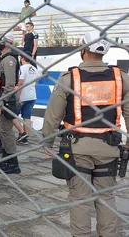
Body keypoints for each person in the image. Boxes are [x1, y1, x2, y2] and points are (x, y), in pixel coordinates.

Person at [42, 31, 127, 237]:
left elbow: (53, 115)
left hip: (77, 148)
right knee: (106, 197)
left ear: (82, 50)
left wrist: (48, 142)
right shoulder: (121, 78)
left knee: (80, 199)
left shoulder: (69, 78)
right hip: (109, 147)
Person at [0, 33, 21, 174]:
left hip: (6, 98)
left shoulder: (9, 60)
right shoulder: (4, 58)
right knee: (2, 128)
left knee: (6, 130)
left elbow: (9, 84)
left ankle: (12, 161)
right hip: (3, 97)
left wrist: (1, 102)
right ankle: (5, 157)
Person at [15, 51, 38, 145]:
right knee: (27, 117)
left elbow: (20, 83)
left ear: (22, 58)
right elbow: (36, 83)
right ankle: (26, 136)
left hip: (23, 96)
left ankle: (22, 133)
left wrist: (18, 97)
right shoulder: (35, 69)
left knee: (13, 116)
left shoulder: (22, 68)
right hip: (32, 95)